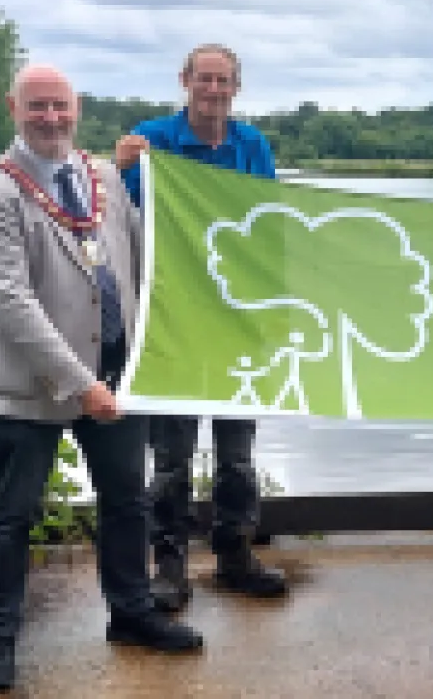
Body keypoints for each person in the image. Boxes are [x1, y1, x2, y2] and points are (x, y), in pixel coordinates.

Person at [0, 64, 204, 692]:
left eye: (60, 106)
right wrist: (79, 383)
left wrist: (164, 351)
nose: (50, 118)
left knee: (127, 504)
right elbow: (10, 302)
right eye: (37, 106)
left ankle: (131, 613)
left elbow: (144, 263)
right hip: (29, 389)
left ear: (78, 109)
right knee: (12, 515)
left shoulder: (102, 178)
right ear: (13, 107)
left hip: (118, 375)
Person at [114, 43, 287, 612]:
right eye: (204, 78)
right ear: (185, 81)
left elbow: (267, 225)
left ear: (237, 87)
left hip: (237, 322)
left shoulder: (252, 146)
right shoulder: (154, 139)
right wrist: (119, 168)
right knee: (172, 458)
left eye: (224, 80)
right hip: (174, 323)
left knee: (238, 455)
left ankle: (236, 553)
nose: (213, 89)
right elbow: (122, 209)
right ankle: (169, 567)